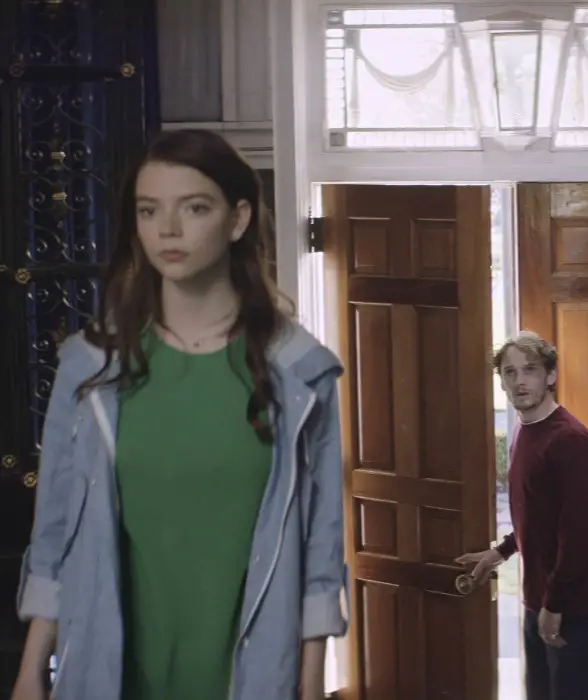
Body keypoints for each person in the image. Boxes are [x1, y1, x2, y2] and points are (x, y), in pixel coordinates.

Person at [11, 129, 347, 700]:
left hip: (249, 675)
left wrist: (311, 684)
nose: (167, 229)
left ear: (237, 219)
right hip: (110, 673)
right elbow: (56, 531)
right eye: (149, 210)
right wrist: (30, 672)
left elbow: (320, 543)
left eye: (193, 208)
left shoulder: (300, 373)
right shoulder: (91, 367)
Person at [456, 332, 588, 700]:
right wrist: (501, 551)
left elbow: (579, 533)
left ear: (550, 376)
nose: (520, 381)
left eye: (530, 370)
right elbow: (539, 515)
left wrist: (554, 605)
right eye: (510, 372)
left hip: (570, 607)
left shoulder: (570, 440)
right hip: (538, 599)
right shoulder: (525, 432)